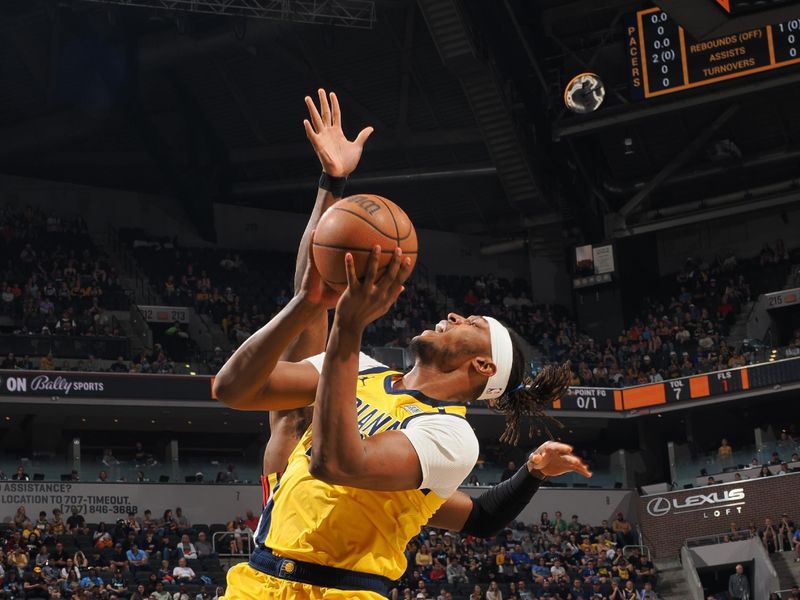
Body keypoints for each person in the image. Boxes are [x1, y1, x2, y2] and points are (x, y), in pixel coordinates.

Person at [215, 90, 590, 600]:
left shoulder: (450, 438)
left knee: (296, 419)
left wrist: (346, 329)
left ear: (483, 364)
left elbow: (338, 463)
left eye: (471, 321)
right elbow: (233, 387)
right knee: (290, 414)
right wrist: (331, 189)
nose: (454, 314)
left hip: (341, 592)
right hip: (256, 582)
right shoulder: (364, 372)